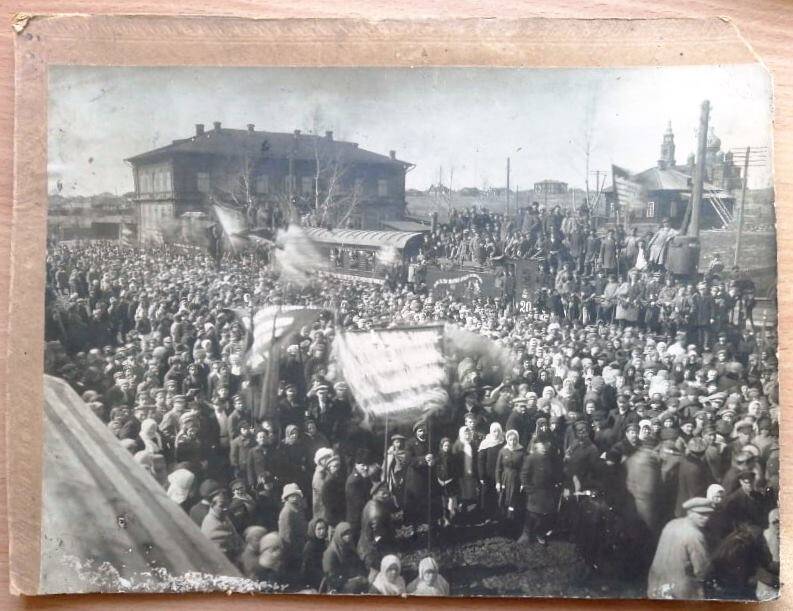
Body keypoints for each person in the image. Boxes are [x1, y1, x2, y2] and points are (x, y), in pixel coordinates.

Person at [647, 496, 714, 599]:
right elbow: (702, 569)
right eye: (701, 514)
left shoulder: (671, 524)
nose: (706, 518)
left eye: (708, 514)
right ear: (690, 513)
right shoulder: (695, 535)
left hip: (656, 585)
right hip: (680, 591)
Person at [518, 439, 559, 545]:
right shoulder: (531, 458)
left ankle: (540, 533)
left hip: (547, 491)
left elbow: (555, 472)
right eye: (541, 444)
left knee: (545, 514)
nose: (544, 446)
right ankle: (526, 534)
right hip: (534, 491)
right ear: (536, 445)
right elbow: (524, 475)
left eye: (546, 443)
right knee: (532, 513)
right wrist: (529, 489)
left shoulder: (551, 458)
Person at [322, 521, 367, 593]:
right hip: (337, 587)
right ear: (338, 535)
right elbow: (331, 578)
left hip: (353, 582)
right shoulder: (330, 553)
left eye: (349, 533)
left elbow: (358, 564)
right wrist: (350, 580)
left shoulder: (350, 548)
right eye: (344, 534)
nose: (348, 536)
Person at [200, 488, 243, 561]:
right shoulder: (212, 525)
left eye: (227, 505)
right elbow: (223, 556)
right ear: (212, 505)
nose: (225, 509)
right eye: (221, 506)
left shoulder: (222, 516)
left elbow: (236, 537)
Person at [494, 429, 525, 524]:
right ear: (507, 439)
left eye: (515, 439)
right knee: (503, 499)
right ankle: (503, 520)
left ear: (517, 440)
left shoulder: (521, 452)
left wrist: (522, 483)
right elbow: (498, 468)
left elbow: (523, 469)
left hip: (516, 479)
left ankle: (512, 521)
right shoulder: (503, 451)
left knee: (513, 499)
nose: (512, 442)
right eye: (510, 439)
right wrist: (498, 482)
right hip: (505, 478)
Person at [278, 482, 307, 577]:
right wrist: (292, 550)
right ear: (286, 497)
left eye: (296, 495)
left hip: (300, 543)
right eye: (291, 495)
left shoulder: (297, 508)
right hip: (292, 548)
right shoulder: (287, 512)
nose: (294, 497)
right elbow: (286, 535)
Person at [301, 517, 328, 590]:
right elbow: (310, 568)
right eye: (319, 529)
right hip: (312, 580)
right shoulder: (310, 546)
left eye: (323, 528)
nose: (322, 532)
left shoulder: (323, 543)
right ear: (313, 530)